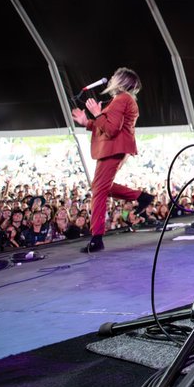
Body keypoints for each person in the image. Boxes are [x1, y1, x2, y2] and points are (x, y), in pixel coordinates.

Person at [71, 67, 154, 253]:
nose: (110, 81)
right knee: (100, 187)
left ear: (121, 81)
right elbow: (106, 127)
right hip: (114, 148)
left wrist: (97, 113)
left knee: (98, 191)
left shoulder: (121, 99)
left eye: (114, 78)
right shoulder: (124, 100)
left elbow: (111, 129)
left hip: (112, 149)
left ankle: (97, 237)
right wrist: (87, 122)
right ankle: (141, 197)